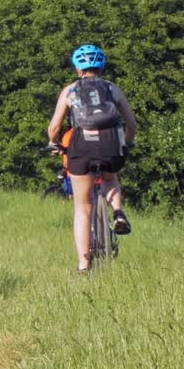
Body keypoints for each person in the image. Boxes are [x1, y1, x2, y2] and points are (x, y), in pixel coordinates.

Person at [47, 44, 137, 274]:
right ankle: (117, 210)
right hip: (110, 144)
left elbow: (55, 126)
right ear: (101, 66)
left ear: (78, 68)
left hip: (81, 146)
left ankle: (84, 265)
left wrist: (54, 143)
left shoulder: (70, 91)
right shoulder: (112, 88)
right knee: (110, 178)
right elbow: (132, 123)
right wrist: (127, 144)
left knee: (82, 207)